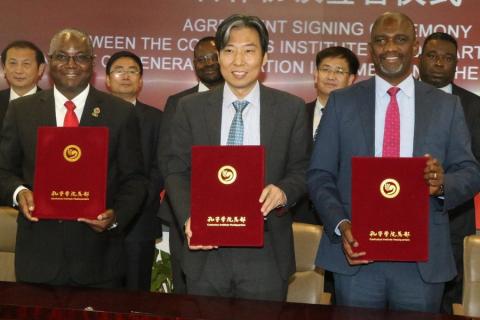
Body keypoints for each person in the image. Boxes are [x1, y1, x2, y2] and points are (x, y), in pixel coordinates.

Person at [307, 12, 480, 312]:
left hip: (421, 261)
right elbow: (319, 174)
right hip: (357, 256)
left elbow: (470, 172)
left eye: (400, 39)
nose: (390, 48)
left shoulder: (446, 106)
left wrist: (442, 185)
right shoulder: (342, 102)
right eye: (381, 40)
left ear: (414, 46)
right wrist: (340, 224)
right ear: (371, 49)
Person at [164, 14, 309, 301]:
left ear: (265, 57)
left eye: (249, 50)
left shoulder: (290, 108)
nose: (238, 61)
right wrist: (188, 218)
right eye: (229, 51)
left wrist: (283, 192)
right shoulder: (189, 108)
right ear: (218, 56)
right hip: (206, 249)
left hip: (266, 250)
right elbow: (176, 170)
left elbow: (303, 169)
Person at [0, 28, 146, 288]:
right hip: (38, 258)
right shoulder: (22, 111)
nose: (71, 64)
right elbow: (3, 170)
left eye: (80, 57)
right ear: (49, 61)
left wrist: (115, 216)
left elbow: (134, 179)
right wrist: (18, 191)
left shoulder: (120, 113)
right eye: (62, 56)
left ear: (92, 63)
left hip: (100, 261)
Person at [419, 32, 480, 314]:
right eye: (432, 56)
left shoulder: (474, 107)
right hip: (398, 217)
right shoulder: (400, 99)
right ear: (418, 60)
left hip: (453, 222)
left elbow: (475, 168)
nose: (440, 63)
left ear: (457, 64)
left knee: (445, 303)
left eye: (447, 58)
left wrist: (447, 182)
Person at [158, 36, 223, 294]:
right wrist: (188, 205)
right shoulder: (178, 102)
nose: (208, 63)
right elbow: (166, 158)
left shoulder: (244, 103)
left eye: (213, 57)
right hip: (184, 211)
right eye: (201, 59)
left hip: (234, 211)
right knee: (186, 290)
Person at [106, 50, 163, 291]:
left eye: (132, 71)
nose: (126, 76)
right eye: (119, 70)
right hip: (97, 220)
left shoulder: (157, 118)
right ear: (107, 80)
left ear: (140, 81)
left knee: (135, 296)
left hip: (140, 222)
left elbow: (161, 167)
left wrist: (133, 204)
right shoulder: (93, 116)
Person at [293, 46, 359, 225]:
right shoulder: (296, 114)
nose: (331, 76)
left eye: (339, 71)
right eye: (325, 69)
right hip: (298, 213)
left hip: (343, 215)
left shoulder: (360, 122)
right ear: (315, 75)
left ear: (351, 79)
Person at [0, 40, 45, 129]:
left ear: (40, 69)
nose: (18, 71)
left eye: (26, 64)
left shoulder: (53, 104)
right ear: (4, 68)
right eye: (13, 63)